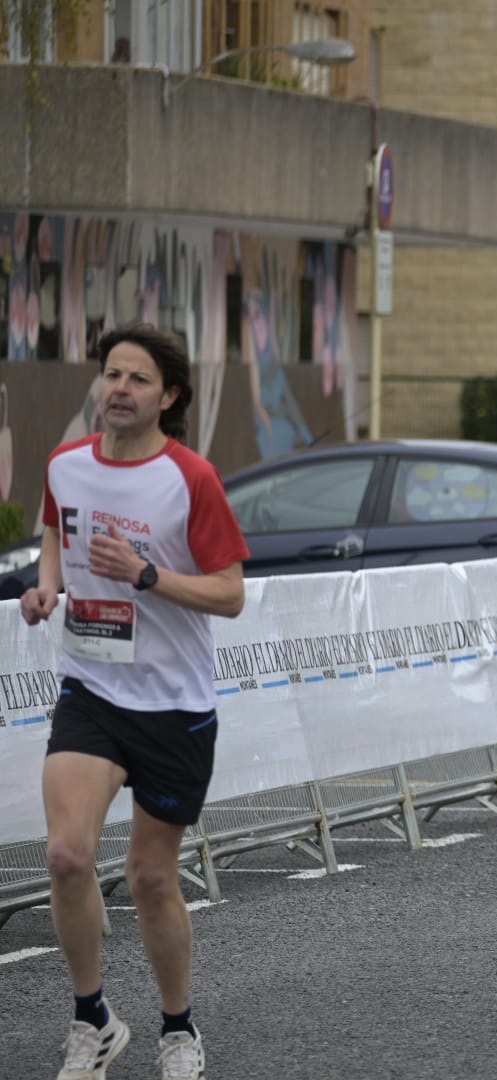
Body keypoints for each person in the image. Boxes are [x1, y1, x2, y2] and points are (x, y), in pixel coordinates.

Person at [23, 324, 250, 1080]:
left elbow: (230, 594)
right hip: (91, 689)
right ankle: (92, 1019)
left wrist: (149, 576)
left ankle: (177, 1027)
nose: (118, 388)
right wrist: (49, 585)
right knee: (65, 855)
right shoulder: (65, 464)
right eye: (111, 374)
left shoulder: (191, 478)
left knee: (152, 877)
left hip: (172, 704)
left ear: (170, 396)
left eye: (138, 379)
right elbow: (56, 529)